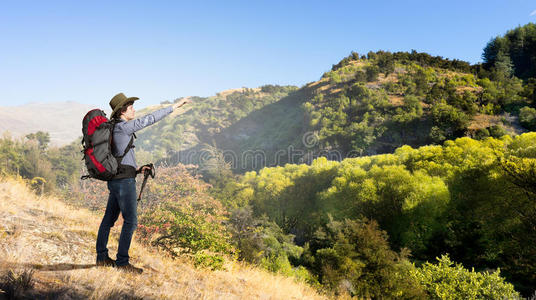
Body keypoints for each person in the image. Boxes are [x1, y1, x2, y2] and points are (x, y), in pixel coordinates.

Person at [95, 92, 191, 273]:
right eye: (130, 107)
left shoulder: (114, 128)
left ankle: (101, 257)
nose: (133, 109)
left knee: (108, 220)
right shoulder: (124, 127)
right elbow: (150, 119)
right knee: (130, 221)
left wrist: (138, 170)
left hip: (116, 180)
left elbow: (120, 158)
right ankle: (122, 263)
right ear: (123, 111)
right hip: (124, 182)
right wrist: (176, 106)